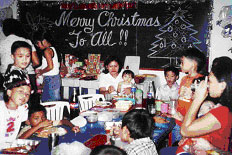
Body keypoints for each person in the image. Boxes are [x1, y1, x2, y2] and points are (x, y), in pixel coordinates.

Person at [160, 56, 232, 154]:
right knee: (164, 151)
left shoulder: (223, 112)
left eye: (210, 81)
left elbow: (185, 130)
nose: (207, 84)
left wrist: (198, 99)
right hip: (193, 150)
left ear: (222, 85)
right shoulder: (217, 106)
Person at [0, 18, 40, 94]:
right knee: (30, 100)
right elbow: (36, 62)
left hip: (5, 75)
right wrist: (28, 66)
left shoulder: (1, 43)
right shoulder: (26, 41)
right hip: (28, 74)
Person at [0, 70, 31, 146]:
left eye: (27, 94)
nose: (24, 96)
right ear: (9, 92)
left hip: (10, 147)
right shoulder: (1, 108)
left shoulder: (23, 108)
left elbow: (27, 122)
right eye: (20, 91)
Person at [33, 31, 61, 102]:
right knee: (53, 101)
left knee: (50, 102)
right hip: (54, 78)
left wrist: (41, 72)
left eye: (37, 43)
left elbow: (50, 67)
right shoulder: (52, 48)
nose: (37, 46)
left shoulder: (47, 51)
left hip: (51, 79)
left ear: (44, 41)